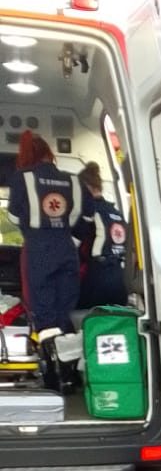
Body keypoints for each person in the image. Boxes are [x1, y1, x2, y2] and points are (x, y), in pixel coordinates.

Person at [8, 132, 94, 392]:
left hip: (38, 253)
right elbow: (86, 220)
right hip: (66, 251)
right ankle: (71, 374)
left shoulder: (23, 178)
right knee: (64, 314)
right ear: (50, 153)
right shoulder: (73, 181)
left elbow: (12, 217)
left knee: (45, 318)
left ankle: (54, 379)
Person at [75, 162, 128, 309]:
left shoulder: (89, 212)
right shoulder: (115, 212)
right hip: (119, 277)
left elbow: (76, 243)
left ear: (84, 188)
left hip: (97, 278)